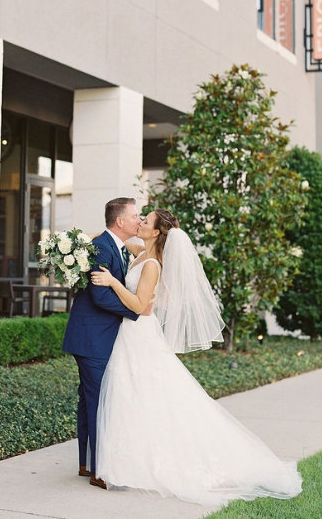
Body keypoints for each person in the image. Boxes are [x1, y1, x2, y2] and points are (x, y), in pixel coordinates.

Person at [89, 209, 302, 505]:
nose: (140, 223)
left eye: (145, 221)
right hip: (129, 335)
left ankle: (146, 464)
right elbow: (113, 240)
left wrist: (113, 282)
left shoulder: (152, 265)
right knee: (135, 395)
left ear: (156, 233)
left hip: (139, 333)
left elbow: (139, 305)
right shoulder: (139, 251)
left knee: (143, 392)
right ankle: (129, 460)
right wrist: (76, 242)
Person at [61, 197, 142, 488]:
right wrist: (136, 309)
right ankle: (99, 471)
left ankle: (86, 463)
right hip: (91, 339)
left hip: (98, 337)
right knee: (97, 403)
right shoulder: (101, 248)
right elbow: (100, 295)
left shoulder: (117, 247)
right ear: (120, 221)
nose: (138, 219)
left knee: (88, 401)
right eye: (135, 215)